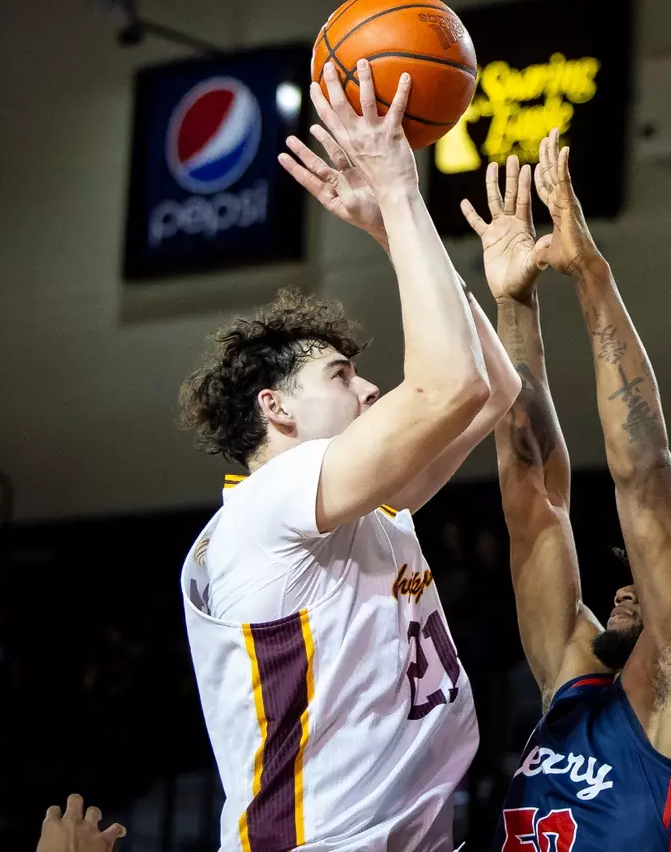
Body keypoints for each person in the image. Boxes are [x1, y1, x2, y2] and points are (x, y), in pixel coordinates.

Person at [176, 61, 520, 852]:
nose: (368, 391)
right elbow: (448, 386)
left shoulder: (352, 507)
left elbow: (490, 390)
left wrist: (390, 229)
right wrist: (401, 195)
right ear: (276, 407)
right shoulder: (267, 512)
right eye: (342, 376)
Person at [464, 133, 671, 850]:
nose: (629, 585)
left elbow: (644, 470)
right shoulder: (574, 682)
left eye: (652, 581)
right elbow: (532, 499)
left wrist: (589, 274)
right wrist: (515, 304)